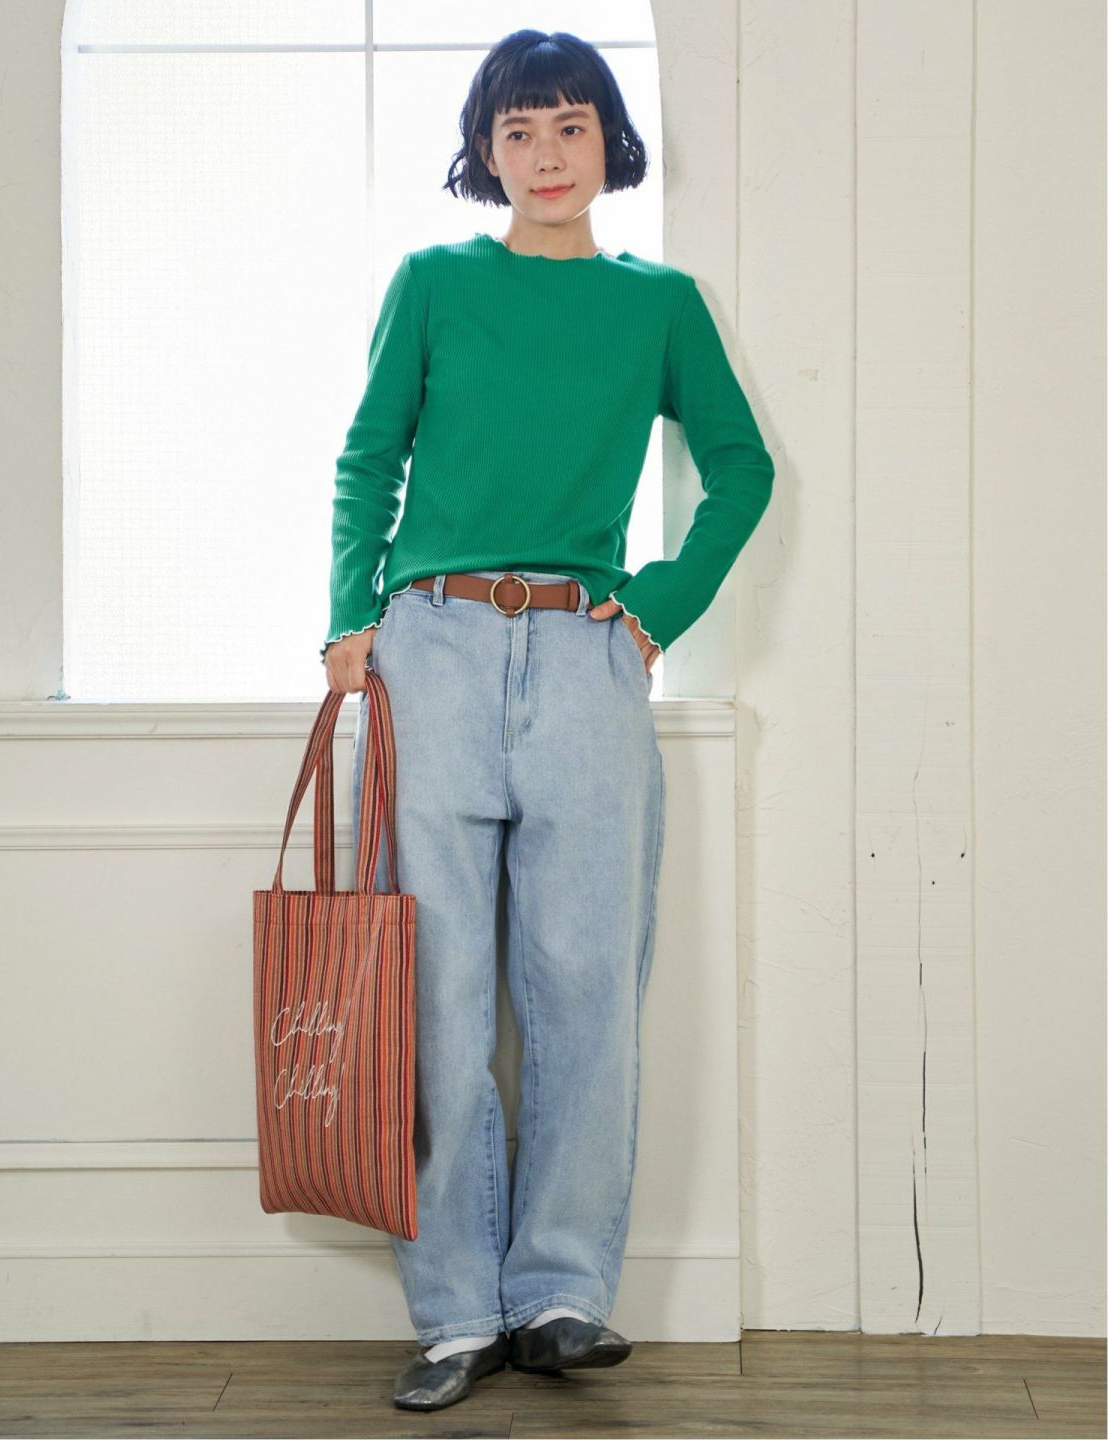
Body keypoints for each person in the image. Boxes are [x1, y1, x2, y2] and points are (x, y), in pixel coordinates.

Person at [320, 29, 775, 1413]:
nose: (546, 153)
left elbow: (744, 468)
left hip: (586, 654)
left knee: (584, 987)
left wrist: (657, 606)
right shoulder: (434, 282)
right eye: (517, 131)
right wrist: (351, 619)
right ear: (486, 151)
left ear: (608, 143)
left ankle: (564, 1294)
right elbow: (368, 458)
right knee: (436, 992)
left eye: (570, 125)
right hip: (433, 648)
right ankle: (458, 1310)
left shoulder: (660, 305)